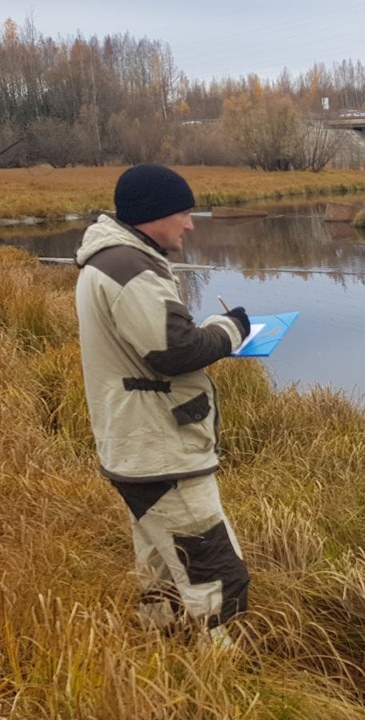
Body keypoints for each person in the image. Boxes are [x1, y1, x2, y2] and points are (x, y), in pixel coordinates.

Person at [75, 164, 251, 641]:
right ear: (154, 216)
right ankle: (227, 685)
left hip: (136, 449)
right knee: (218, 577)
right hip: (161, 454)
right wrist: (232, 329)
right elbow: (176, 352)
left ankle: (162, 655)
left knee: (159, 573)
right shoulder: (129, 268)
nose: (190, 225)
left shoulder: (112, 260)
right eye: (184, 213)